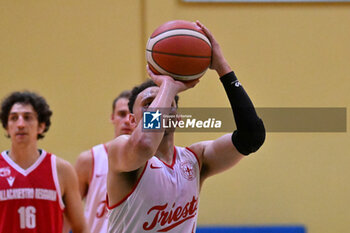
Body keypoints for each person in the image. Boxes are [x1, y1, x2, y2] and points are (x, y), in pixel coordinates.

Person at [106, 21, 266, 233]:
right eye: (149, 105)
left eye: (167, 105)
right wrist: (168, 87)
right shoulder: (120, 149)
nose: (160, 108)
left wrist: (223, 68)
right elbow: (145, 144)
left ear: (178, 118)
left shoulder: (196, 159)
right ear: (132, 121)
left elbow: (252, 136)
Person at [0, 91, 89, 233]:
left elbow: (81, 228)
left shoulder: (61, 170)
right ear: (6, 126)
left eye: (27, 117)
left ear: (41, 126)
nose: (21, 124)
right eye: (14, 118)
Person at [75, 90, 133, 233]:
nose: (126, 120)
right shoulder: (89, 159)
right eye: (121, 114)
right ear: (112, 117)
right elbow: (69, 211)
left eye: (132, 115)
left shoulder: (152, 161)